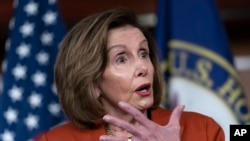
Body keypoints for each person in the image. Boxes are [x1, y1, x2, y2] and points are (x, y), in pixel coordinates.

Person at [37, 8, 225, 141]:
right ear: (93, 83)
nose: (142, 66)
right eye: (121, 59)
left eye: (143, 53)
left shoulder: (204, 129)